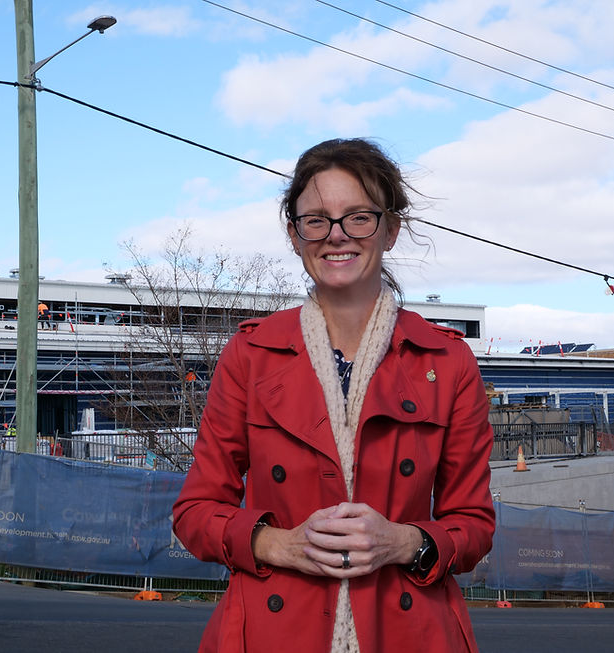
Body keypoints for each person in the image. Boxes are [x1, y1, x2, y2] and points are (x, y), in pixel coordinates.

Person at [173, 138, 495, 653]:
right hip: (272, 631)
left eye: (358, 217)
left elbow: (474, 524)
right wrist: (279, 543)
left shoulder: (447, 362)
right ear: (295, 234)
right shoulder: (250, 355)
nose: (336, 236)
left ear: (390, 229)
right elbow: (195, 509)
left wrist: (403, 541)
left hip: (408, 632)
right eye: (316, 220)